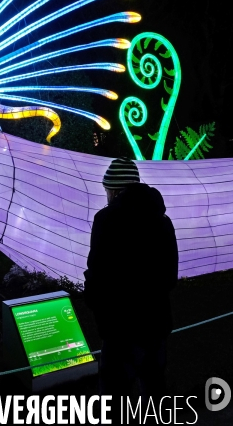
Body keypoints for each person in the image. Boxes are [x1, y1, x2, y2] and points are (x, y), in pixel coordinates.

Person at [84, 157, 179, 413]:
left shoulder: (106, 220)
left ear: (113, 190)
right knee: (155, 394)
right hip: (156, 323)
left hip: (120, 327)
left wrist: (93, 301)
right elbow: (170, 276)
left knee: (114, 399)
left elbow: (98, 274)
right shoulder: (162, 221)